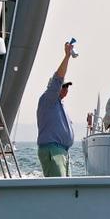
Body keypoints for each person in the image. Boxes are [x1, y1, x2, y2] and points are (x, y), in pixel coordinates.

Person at [36, 42, 75, 176]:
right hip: (53, 150)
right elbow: (58, 78)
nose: (66, 89)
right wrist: (67, 56)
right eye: (64, 86)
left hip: (62, 152)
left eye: (67, 87)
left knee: (67, 190)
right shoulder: (49, 98)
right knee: (60, 190)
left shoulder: (59, 104)